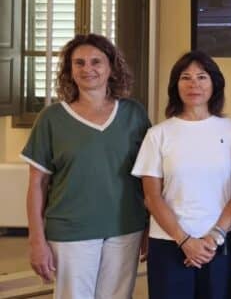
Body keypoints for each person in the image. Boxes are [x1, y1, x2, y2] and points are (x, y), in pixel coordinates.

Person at [22, 33, 150, 299]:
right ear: (69, 70)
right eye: (78, 63)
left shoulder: (134, 114)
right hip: (71, 230)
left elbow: (148, 179)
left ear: (111, 67)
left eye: (96, 61)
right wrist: (36, 240)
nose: (87, 69)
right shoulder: (51, 119)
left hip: (125, 227)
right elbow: (37, 184)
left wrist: (150, 227)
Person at [132, 51, 231, 299]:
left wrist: (214, 236)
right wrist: (185, 240)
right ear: (175, 85)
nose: (193, 84)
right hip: (169, 242)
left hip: (218, 243)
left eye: (201, 77)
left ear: (214, 84)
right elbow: (152, 197)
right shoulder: (158, 134)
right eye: (185, 78)